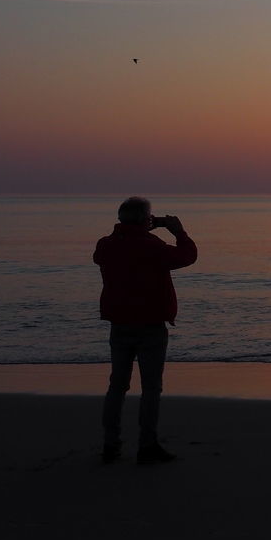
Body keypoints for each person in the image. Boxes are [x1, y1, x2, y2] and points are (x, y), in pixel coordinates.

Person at [94, 196, 198, 464]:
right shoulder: (152, 246)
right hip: (150, 325)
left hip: (120, 324)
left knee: (117, 386)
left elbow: (104, 254)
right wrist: (178, 231)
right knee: (151, 388)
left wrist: (135, 230)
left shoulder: (106, 245)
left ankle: (110, 444)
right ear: (145, 219)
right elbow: (188, 256)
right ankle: (147, 444)